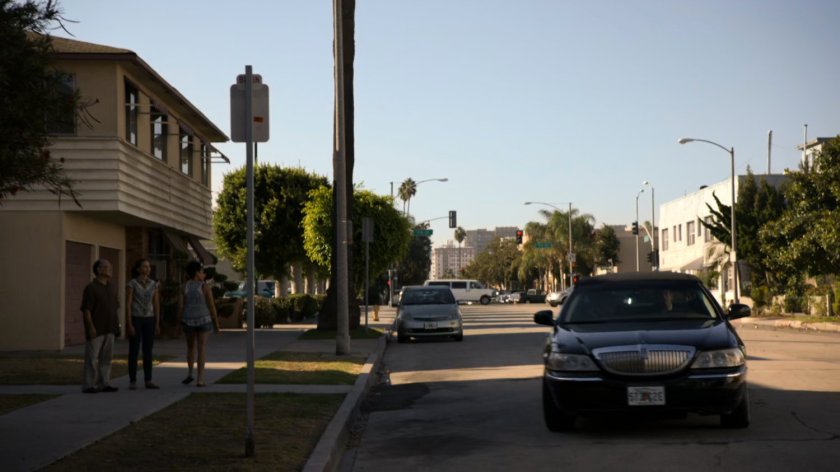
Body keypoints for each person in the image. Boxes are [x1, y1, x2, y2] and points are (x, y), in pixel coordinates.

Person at [176, 260, 220, 387]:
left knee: (191, 348)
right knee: (201, 348)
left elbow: (181, 307)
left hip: (188, 320)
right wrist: (216, 323)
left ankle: (190, 374)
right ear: (196, 273)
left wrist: (178, 324)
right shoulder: (204, 287)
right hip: (203, 319)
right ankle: (200, 379)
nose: (204, 274)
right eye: (202, 272)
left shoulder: (184, 287)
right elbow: (211, 306)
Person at [81, 259, 120, 393]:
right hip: (96, 329)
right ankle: (89, 385)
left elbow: (115, 308)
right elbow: (86, 310)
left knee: (106, 358)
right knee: (92, 358)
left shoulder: (112, 287)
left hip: (110, 328)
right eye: (106, 267)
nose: (110, 269)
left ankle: (104, 383)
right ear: (98, 270)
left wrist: (117, 325)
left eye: (110, 267)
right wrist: (90, 327)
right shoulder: (91, 288)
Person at [125, 258, 160, 390]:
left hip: (149, 319)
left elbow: (156, 304)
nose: (147, 269)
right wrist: (129, 323)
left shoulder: (153, 284)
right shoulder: (132, 284)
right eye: (144, 267)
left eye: (149, 267)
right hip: (136, 318)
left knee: (148, 351)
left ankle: (148, 380)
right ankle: (132, 380)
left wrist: (157, 323)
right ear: (138, 269)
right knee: (134, 350)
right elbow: (128, 304)